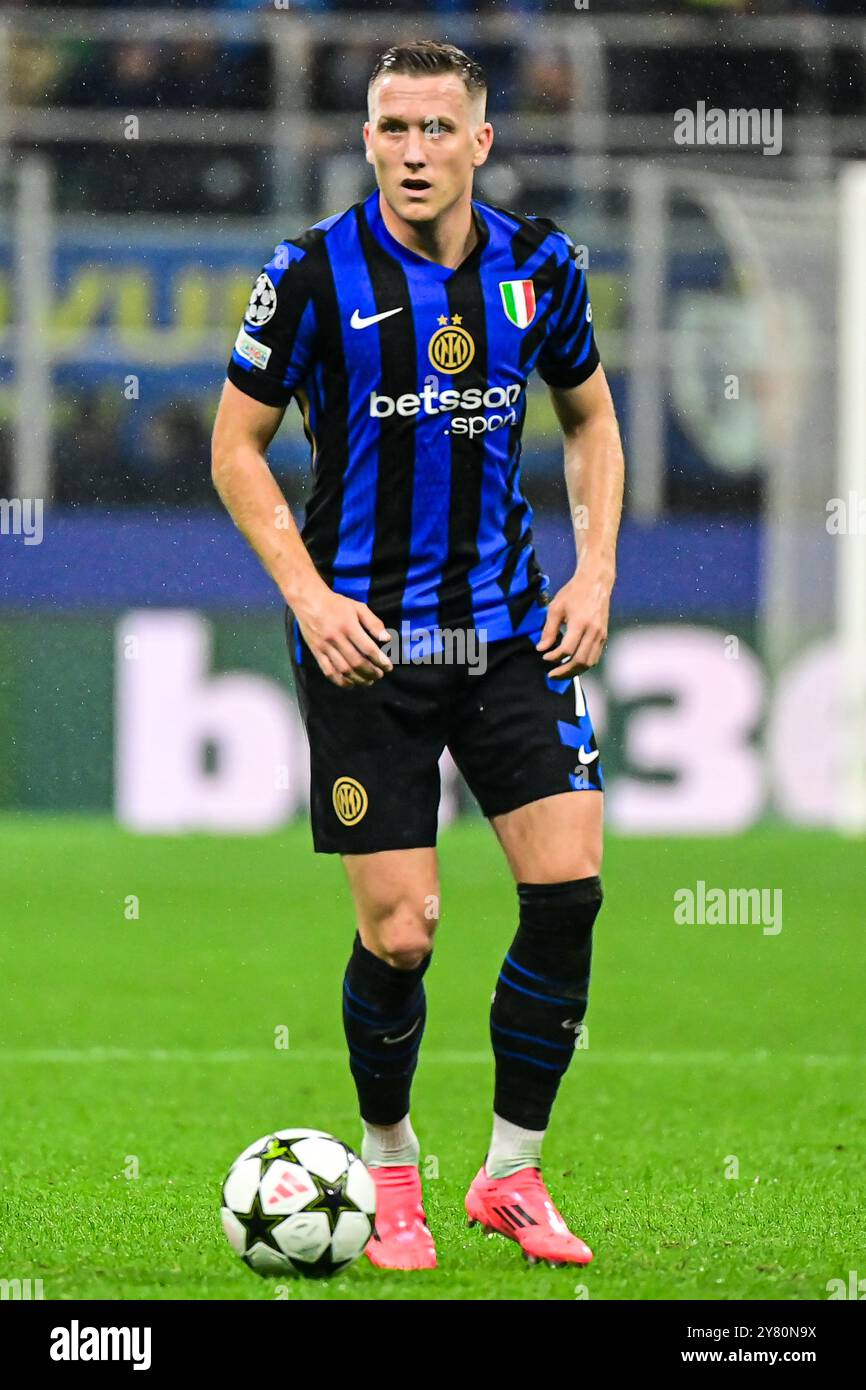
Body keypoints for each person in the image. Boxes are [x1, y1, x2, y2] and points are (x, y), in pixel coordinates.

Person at [211, 38, 624, 1271]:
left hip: (508, 634)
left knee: (568, 888)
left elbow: (590, 417)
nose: (411, 151)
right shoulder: (306, 274)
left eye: (436, 129)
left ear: (478, 143)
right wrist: (309, 593)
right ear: (367, 141)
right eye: (391, 127)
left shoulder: (538, 266)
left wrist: (594, 570)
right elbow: (237, 450)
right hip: (365, 650)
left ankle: (508, 1172)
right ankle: (389, 1167)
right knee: (403, 934)